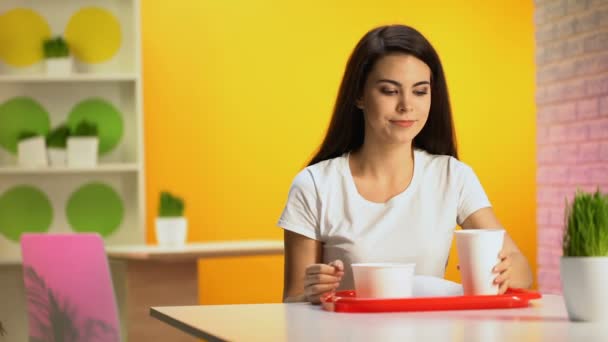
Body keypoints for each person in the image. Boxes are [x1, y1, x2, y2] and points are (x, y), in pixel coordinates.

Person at [277, 24, 533, 304]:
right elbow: (293, 300)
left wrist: (504, 273)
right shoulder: (315, 185)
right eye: (389, 91)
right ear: (359, 95)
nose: (406, 105)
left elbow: (520, 267)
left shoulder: (452, 176)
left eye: (420, 91)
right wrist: (312, 293)